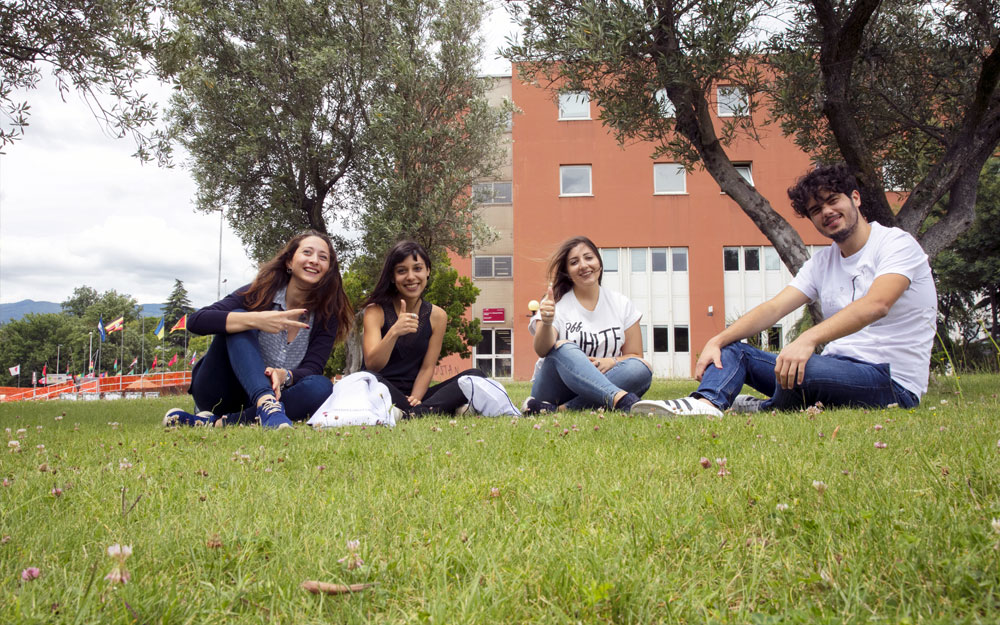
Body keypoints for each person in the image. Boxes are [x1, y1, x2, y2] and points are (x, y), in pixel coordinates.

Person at [633, 163, 937, 418]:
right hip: (836, 369)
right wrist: (717, 339)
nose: (827, 212)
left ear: (855, 198)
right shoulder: (823, 262)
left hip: (891, 381)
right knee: (734, 349)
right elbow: (774, 308)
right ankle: (706, 404)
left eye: (833, 201)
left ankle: (763, 407)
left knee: (806, 370)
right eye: (816, 209)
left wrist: (808, 338)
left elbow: (878, 303)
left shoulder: (896, 244)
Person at [163, 230, 353, 429]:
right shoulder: (259, 292)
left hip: (268, 399)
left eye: (323, 257)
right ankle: (266, 403)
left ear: (328, 269)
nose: (314, 260)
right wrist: (256, 319)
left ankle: (221, 422)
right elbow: (196, 321)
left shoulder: (327, 316)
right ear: (289, 262)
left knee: (321, 386)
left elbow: (312, 368)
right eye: (307, 252)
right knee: (240, 319)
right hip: (220, 390)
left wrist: (285, 375)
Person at [524, 235, 652, 414]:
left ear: (599, 263)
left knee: (641, 368)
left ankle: (562, 410)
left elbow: (635, 355)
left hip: (600, 384)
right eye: (574, 262)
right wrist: (546, 322)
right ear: (567, 271)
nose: (584, 265)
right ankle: (621, 400)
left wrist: (610, 361)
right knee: (563, 348)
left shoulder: (621, 303)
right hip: (555, 390)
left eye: (589, 258)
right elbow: (542, 350)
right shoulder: (556, 304)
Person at [361, 240, 486, 416]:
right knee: (368, 380)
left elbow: (427, 367)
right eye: (402, 271)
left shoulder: (437, 316)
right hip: (381, 388)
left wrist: (416, 397)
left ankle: (412, 412)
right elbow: (372, 365)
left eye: (417, 269)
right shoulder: (375, 311)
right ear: (392, 277)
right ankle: (431, 410)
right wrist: (394, 332)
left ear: (427, 271)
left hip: (416, 395)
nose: (411, 277)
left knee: (475, 376)